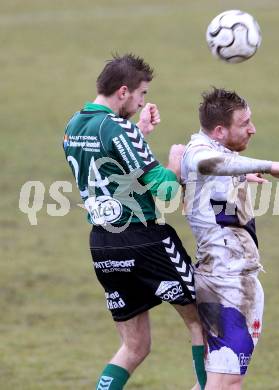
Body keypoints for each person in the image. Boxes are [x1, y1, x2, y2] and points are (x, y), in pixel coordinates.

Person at [63, 54, 206, 390]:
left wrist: (137, 133)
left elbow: (108, 162)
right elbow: (167, 191)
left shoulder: (73, 125)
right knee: (202, 324)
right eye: (142, 94)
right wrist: (175, 161)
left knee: (135, 346)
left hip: (103, 244)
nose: (143, 101)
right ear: (124, 91)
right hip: (143, 239)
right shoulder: (118, 128)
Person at [181, 87, 279, 390]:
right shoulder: (201, 152)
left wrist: (238, 176)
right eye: (244, 123)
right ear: (220, 131)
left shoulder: (214, 152)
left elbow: (211, 176)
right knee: (228, 382)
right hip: (228, 282)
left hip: (223, 276)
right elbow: (205, 164)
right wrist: (268, 166)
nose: (253, 129)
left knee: (217, 380)